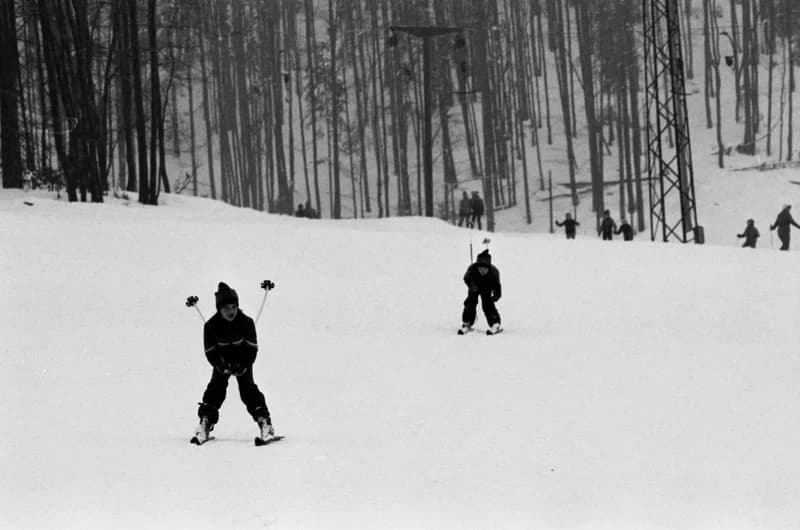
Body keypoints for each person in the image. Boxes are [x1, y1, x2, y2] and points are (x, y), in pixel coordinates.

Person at [192, 282, 274, 444]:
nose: (231, 311)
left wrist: (243, 365)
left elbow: (252, 349)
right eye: (226, 308)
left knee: (248, 390)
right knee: (216, 388)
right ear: (219, 309)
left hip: (242, 362)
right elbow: (210, 351)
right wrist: (221, 365)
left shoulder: (246, 323)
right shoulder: (210, 326)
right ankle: (206, 422)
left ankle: (265, 423)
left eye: (233, 307)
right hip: (222, 363)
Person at [459, 249, 502, 334]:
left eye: (485, 269)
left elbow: (497, 286)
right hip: (474, 286)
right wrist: (471, 285)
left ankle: (495, 323)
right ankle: (467, 322)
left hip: (487, 288)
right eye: (480, 268)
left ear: (488, 268)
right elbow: (466, 278)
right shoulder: (472, 269)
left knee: (487, 304)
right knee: (470, 302)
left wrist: (496, 295)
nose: (482, 270)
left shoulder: (494, 272)